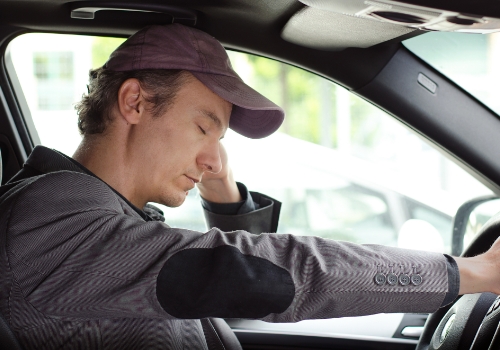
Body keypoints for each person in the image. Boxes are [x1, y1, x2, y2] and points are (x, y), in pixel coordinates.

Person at [0, 23, 499, 350]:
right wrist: (472, 272)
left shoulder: (101, 216)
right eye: (203, 125)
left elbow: (209, 276)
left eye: (220, 137)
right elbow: (255, 271)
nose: (215, 157)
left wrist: (218, 178)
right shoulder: (51, 223)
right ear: (134, 102)